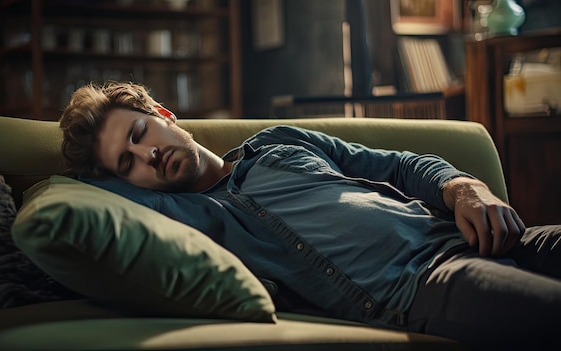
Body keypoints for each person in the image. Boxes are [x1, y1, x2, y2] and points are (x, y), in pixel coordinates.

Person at [60, 82, 560, 350]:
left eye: (140, 133)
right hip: (422, 284)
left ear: (165, 115)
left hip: (473, 231)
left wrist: (465, 187)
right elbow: (79, 197)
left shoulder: (280, 141)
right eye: (127, 164)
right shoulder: (187, 214)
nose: (145, 155)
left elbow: (402, 165)